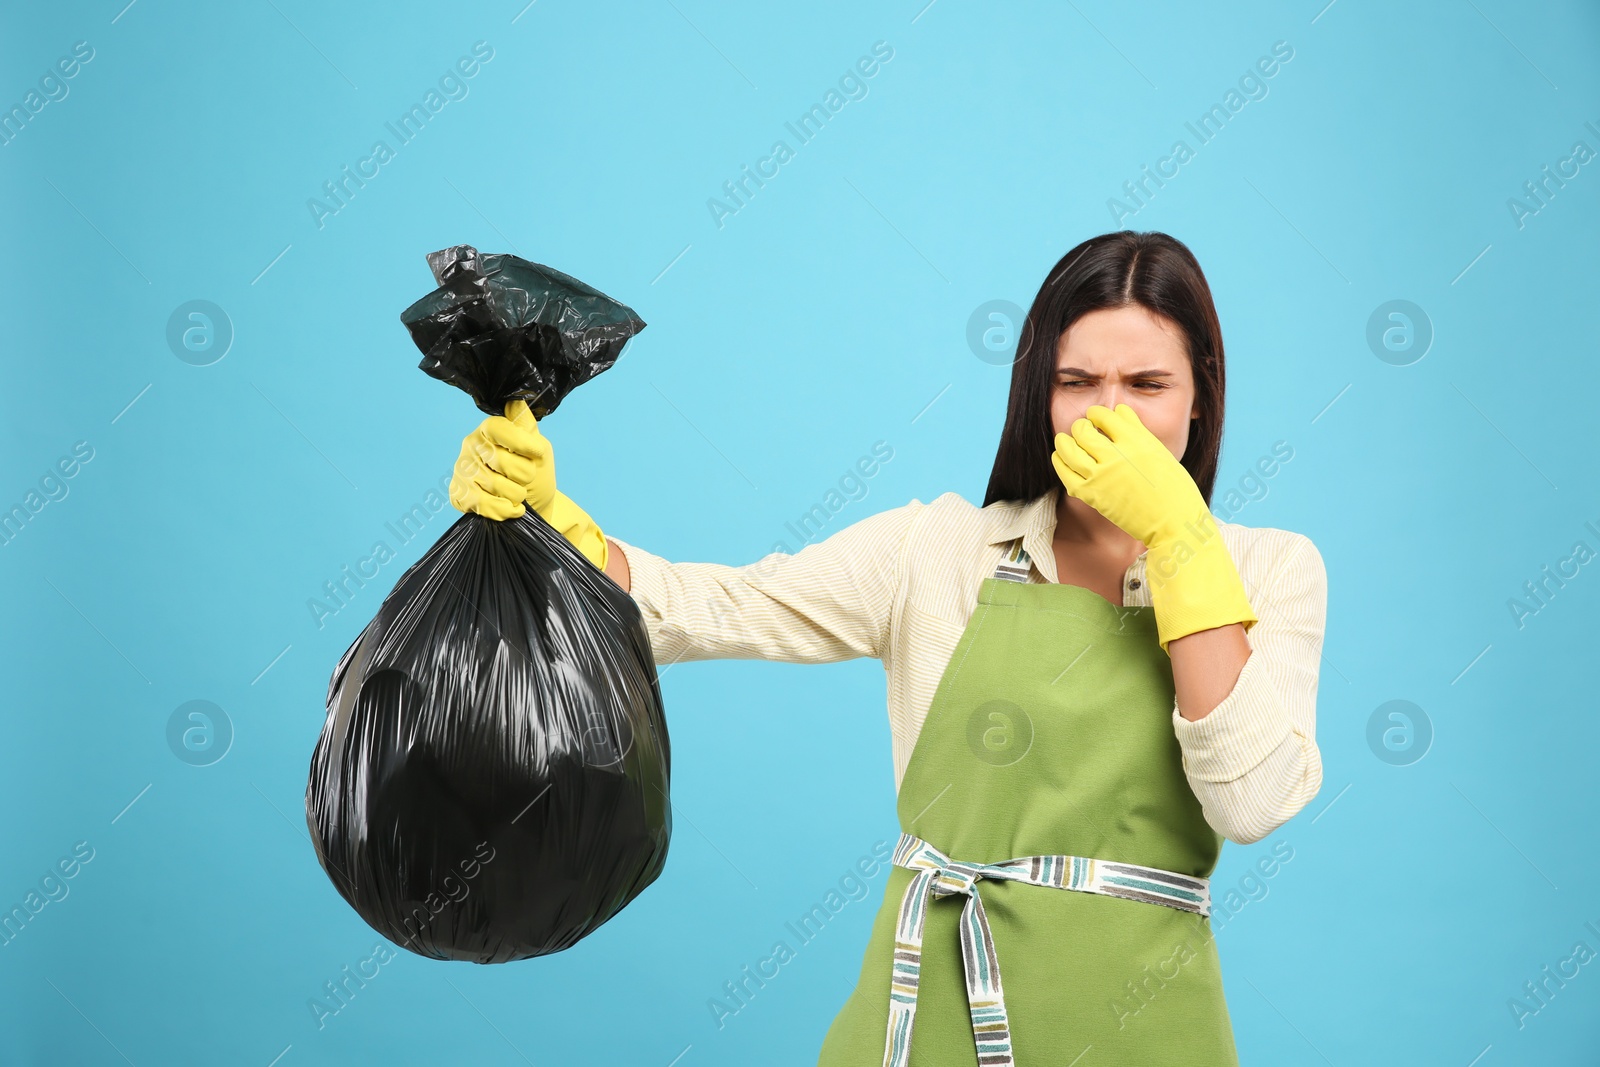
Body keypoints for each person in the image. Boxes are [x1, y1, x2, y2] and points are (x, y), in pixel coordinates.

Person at [448, 230, 1326, 1066]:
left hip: (1145, 1030)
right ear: (1039, 394)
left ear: (1201, 392)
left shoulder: (1270, 571)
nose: (1110, 416)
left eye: (1146, 384)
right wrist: (552, 528)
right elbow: (714, 607)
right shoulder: (937, 551)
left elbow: (1249, 803)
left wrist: (1180, 539)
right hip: (924, 1021)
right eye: (1077, 381)